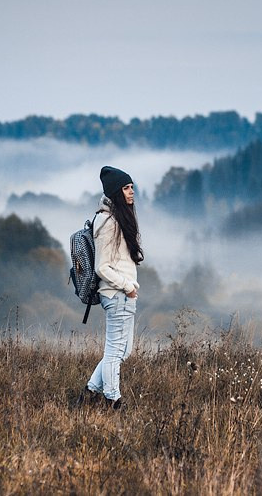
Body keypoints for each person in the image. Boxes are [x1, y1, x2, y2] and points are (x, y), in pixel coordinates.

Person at [84, 165, 143, 410]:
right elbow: (102, 267)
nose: (131, 192)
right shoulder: (108, 222)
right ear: (116, 192)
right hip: (117, 294)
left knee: (122, 351)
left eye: (131, 187)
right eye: (126, 188)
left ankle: (89, 392)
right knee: (114, 352)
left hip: (123, 295)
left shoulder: (115, 218)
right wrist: (127, 286)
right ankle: (113, 400)